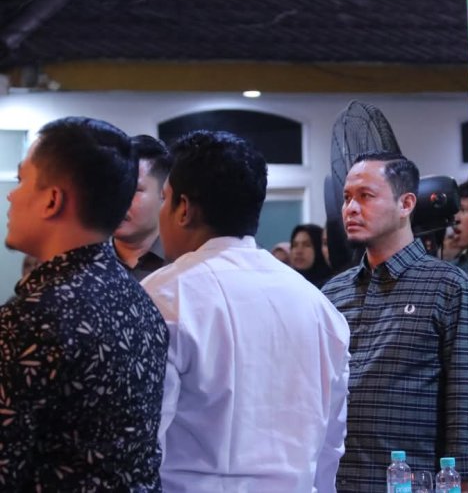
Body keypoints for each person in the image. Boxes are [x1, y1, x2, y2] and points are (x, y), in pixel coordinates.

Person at [141, 130, 350, 492]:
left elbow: (143, 440)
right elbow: (331, 444)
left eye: (164, 200)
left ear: (184, 209)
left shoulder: (167, 295)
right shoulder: (319, 307)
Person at [1, 116, 168, 490]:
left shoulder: (32, 318)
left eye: (22, 180)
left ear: (52, 200)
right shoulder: (139, 303)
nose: (12, 195)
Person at [322, 151, 468, 492]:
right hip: (336, 480)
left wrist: (460, 483)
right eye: (347, 198)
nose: (351, 208)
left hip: (413, 481)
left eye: (365, 196)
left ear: (406, 204)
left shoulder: (450, 287)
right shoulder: (332, 293)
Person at [113, 134, 172, 280]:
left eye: (132, 189)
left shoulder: (184, 264)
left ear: (164, 193)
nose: (118, 199)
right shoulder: (87, 264)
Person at [290, 223, 334, 288]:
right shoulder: (286, 283)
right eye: (294, 245)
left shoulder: (332, 286)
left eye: (307, 245)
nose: (298, 251)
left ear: (319, 248)